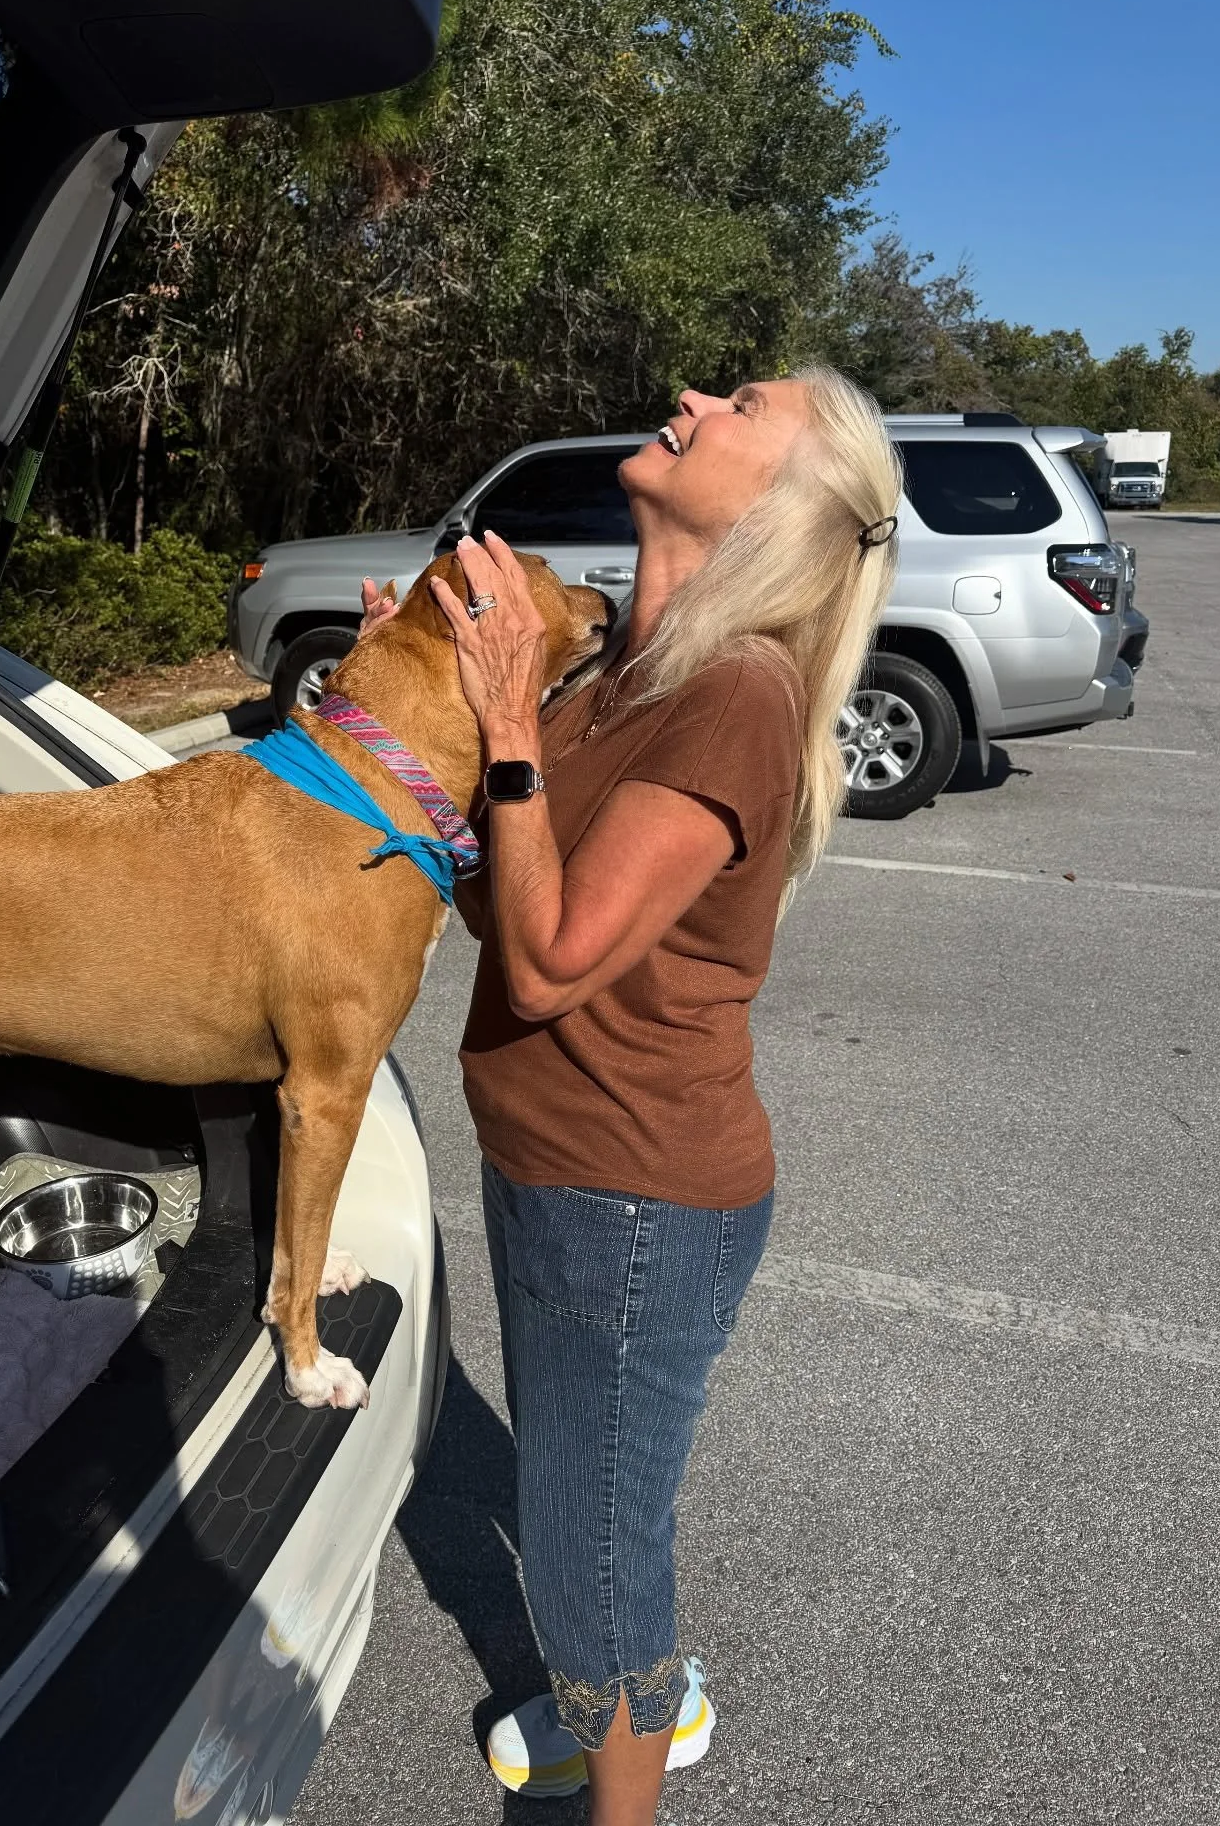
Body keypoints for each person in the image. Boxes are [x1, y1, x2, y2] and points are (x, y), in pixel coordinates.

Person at [368, 366, 901, 1826]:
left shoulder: (736, 693)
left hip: (636, 1202)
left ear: (782, 505)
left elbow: (547, 972)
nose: (689, 395)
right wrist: (422, 734)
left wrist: (509, 722)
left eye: (741, 404)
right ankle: (618, 1696)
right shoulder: (624, 673)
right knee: (577, 1505)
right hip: (558, 1168)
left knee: (593, 1550)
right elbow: (505, 909)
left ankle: (631, 1775)